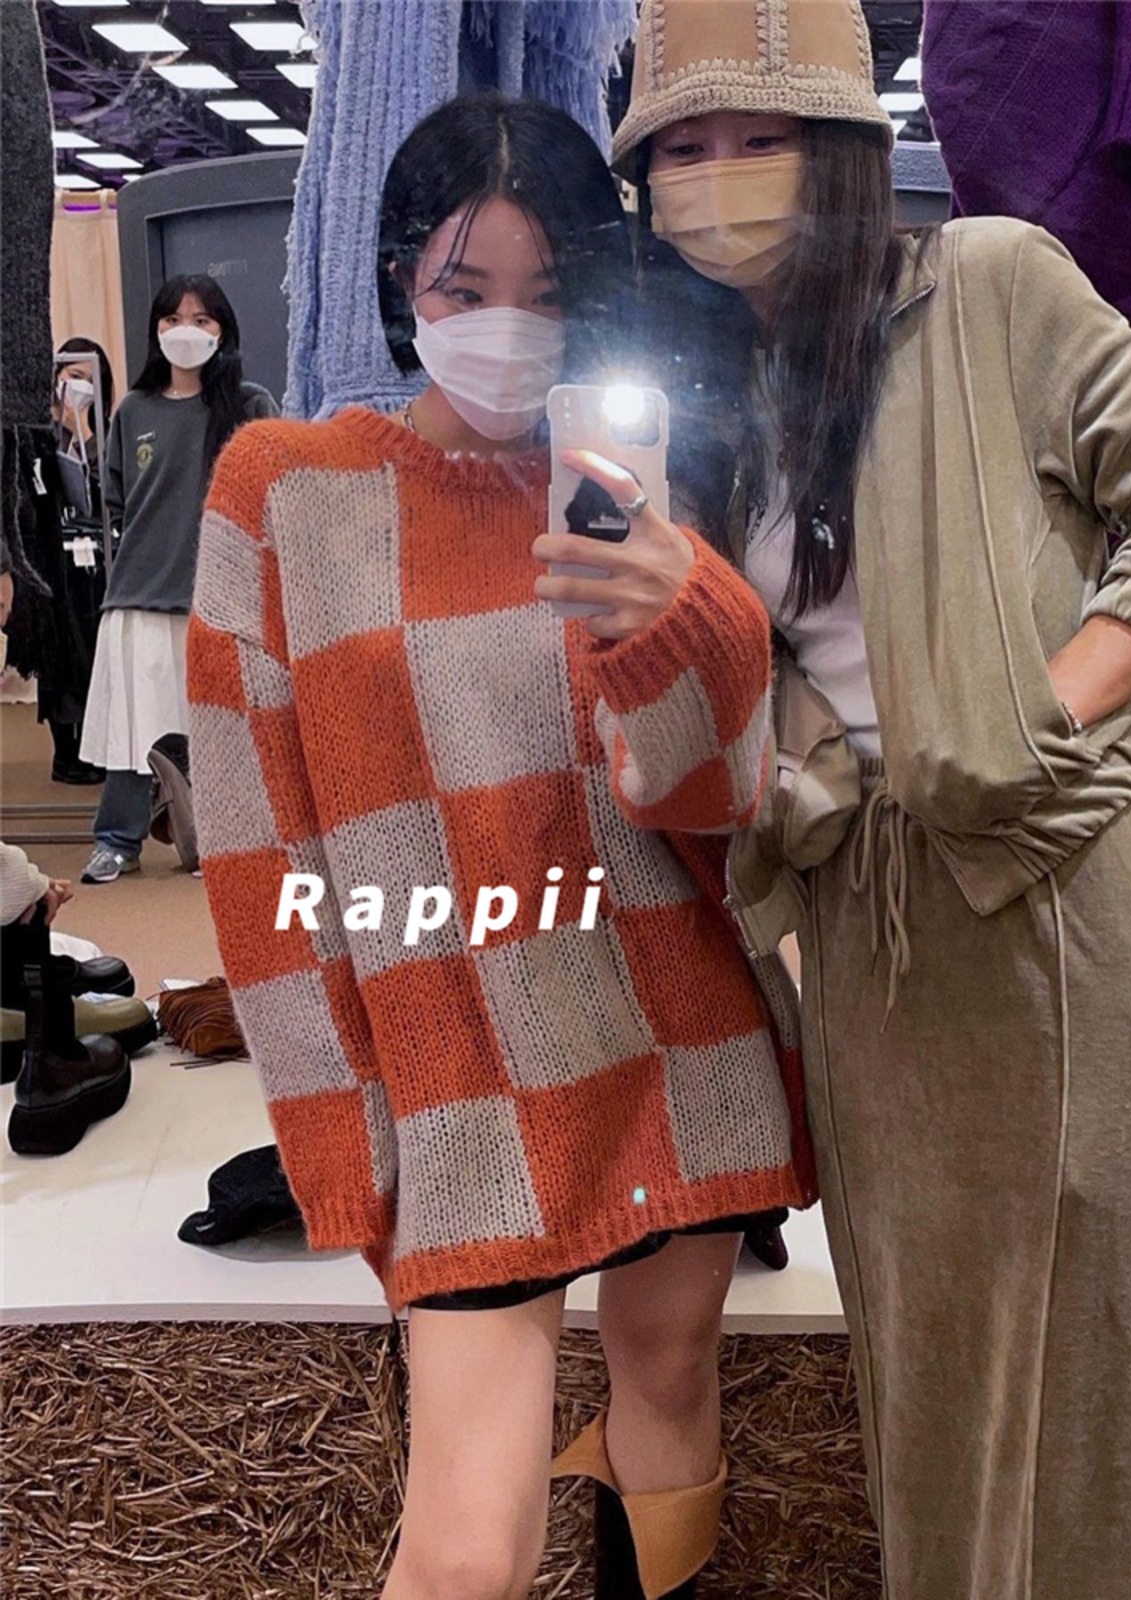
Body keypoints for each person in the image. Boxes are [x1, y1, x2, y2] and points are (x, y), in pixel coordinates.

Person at [531, 3, 1131, 1598]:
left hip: (1067, 904)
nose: (717, 178)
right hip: (872, 941)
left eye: (760, 138)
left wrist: (1038, 711)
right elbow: (727, 722)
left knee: (1105, 1391)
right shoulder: (720, 403)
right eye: (681, 151)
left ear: (848, 152)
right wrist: (656, 618)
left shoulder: (994, 285)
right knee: (929, 1387)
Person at [187, 93, 814, 1600]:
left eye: (547, 290)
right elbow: (260, 858)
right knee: (468, 1547)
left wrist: (687, 611)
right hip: (460, 1070)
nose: (504, 329)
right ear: (401, 280)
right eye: (463, 289)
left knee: (669, 1393)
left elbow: (716, 799)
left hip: (677, 1030)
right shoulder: (284, 490)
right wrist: (335, 1139)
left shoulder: (633, 482)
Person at [79, 276, 278, 884]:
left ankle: (219, 842)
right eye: (172, 319)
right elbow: (116, 499)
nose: (185, 331)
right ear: (155, 331)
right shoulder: (134, 410)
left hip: (220, 598)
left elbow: (274, 492)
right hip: (139, 590)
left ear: (223, 331)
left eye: (201, 319)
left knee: (218, 728)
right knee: (132, 726)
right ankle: (118, 840)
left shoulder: (250, 405)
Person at [38, 337, 117, 785]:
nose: (79, 386)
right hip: (51, 558)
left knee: (92, 646)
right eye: (73, 377)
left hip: (97, 559)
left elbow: (103, 491)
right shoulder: (39, 432)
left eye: (90, 380)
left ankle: (94, 743)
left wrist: (82, 427)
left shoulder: (106, 435)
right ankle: (64, 751)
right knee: (58, 650)